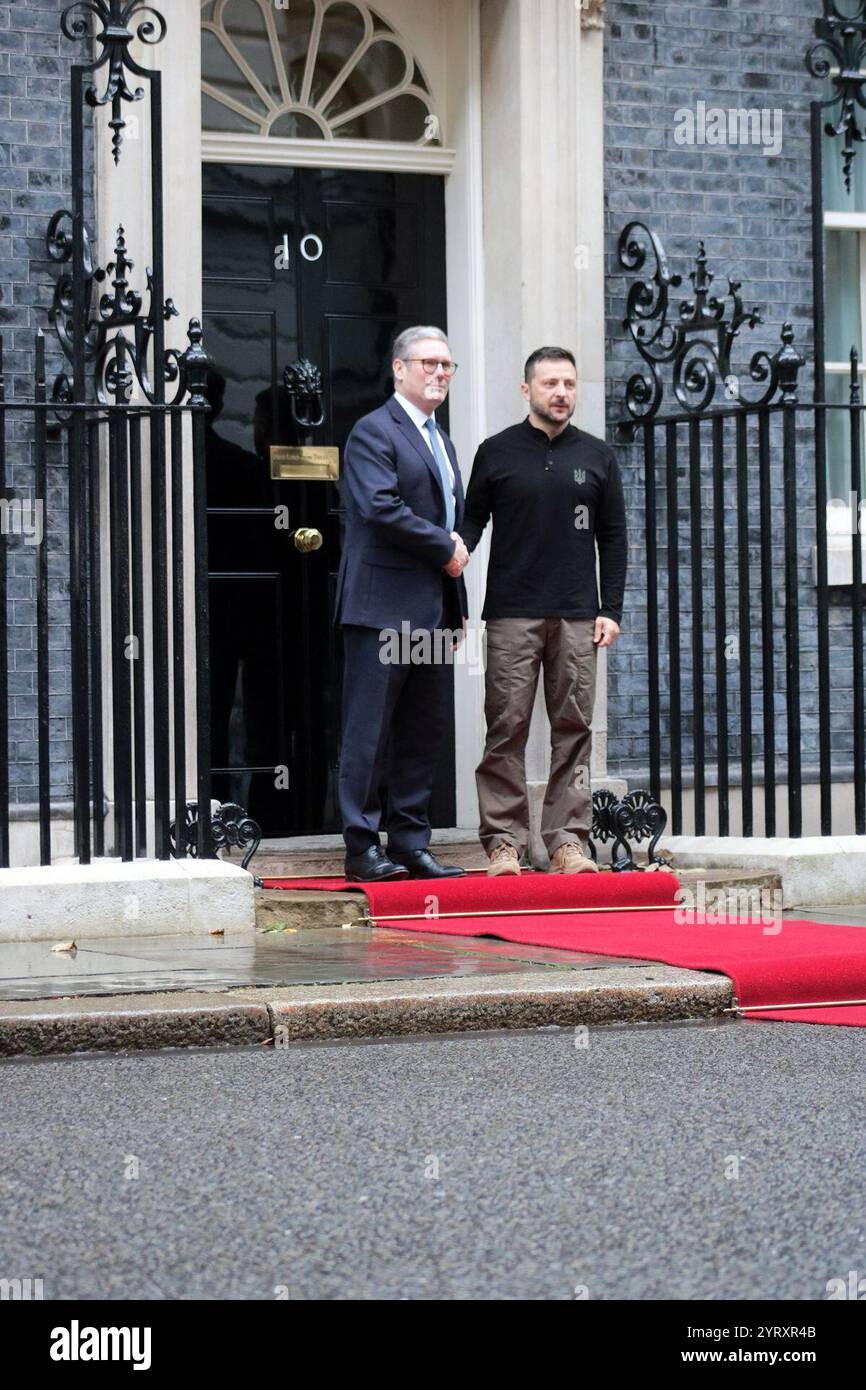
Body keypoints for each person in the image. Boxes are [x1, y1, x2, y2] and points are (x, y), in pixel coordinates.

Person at [461, 347, 627, 875]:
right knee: (505, 727)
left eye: (569, 384)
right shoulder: (495, 452)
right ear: (526, 389)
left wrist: (611, 608)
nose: (561, 392)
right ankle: (504, 841)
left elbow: (614, 537)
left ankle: (567, 841)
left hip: (579, 616)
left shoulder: (597, 456)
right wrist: (449, 561)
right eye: (551, 383)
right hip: (512, 613)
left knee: (573, 730)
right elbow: (471, 523)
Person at [335, 327, 469, 882]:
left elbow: (449, 516)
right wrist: (447, 548)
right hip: (381, 608)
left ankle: (411, 840)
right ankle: (362, 846)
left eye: (447, 365)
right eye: (428, 363)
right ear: (399, 368)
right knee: (370, 730)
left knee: (423, 728)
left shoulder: (442, 439)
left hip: (433, 608)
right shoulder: (373, 431)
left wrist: (456, 602)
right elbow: (381, 508)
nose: (439, 373)